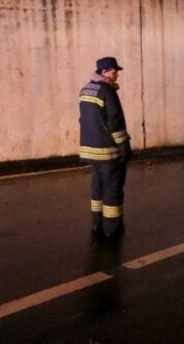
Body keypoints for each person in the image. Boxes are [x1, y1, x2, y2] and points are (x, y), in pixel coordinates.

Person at [79, 56, 131, 239]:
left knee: (97, 186)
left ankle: (97, 224)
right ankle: (112, 228)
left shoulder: (85, 90)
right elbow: (115, 122)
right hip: (107, 151)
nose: (117, 75)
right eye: (114, 71)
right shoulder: (107, 91)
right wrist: (124, 145)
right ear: (104, 72)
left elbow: (83, 120)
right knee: (112, 188)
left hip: (90, 150)